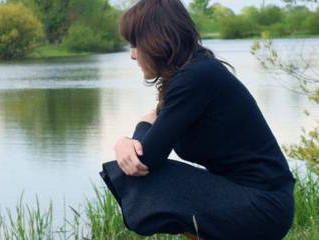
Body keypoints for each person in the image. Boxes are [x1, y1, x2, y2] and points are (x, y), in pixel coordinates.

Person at [98, 0, 297, 239]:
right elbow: (152, 132)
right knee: (145, 174)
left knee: (148, 175)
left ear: (156, 41)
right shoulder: (195, 73)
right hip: (254, 198)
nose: (132, 55)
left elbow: (146, 159)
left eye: (135, 44)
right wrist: (130, 139)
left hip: (263, 205)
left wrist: (125, 142)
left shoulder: (196, 78)